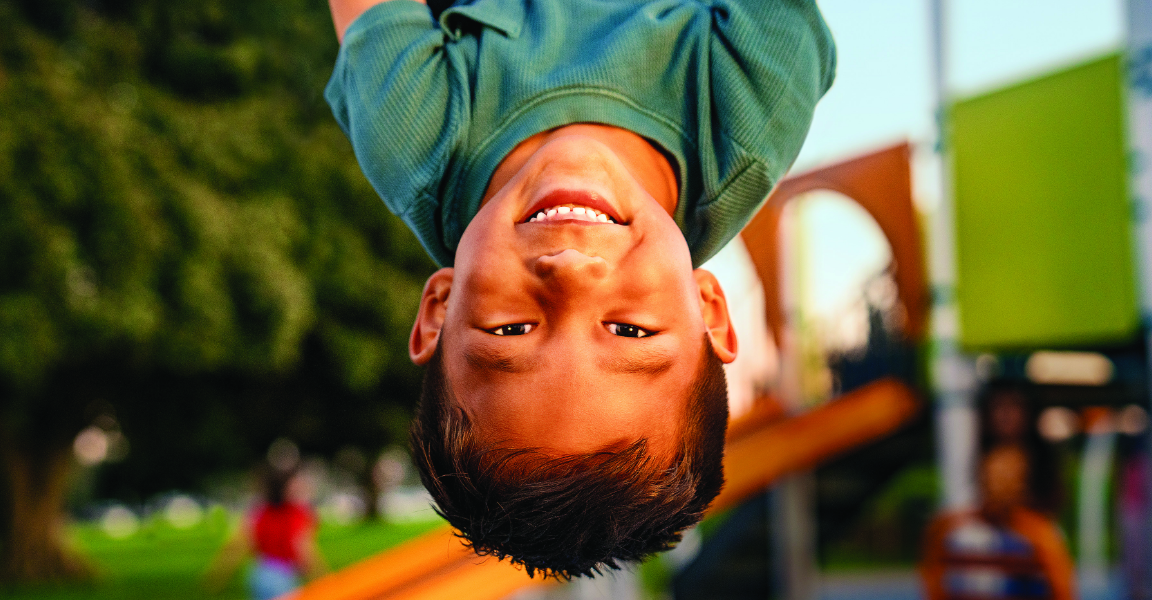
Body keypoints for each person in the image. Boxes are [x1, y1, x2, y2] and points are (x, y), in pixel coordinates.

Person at [323, 0, 835, 578]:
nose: (570, 270)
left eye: (511, 329)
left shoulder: (414, 139)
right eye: (628, 330)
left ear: (439, 308)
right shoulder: (748, 113)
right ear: (707, 310)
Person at [920, 446, 1075, 600]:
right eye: (994, 477)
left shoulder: (1040, 534)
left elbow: (1060, 588)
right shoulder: (948, 528)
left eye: (1007, 478)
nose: (999, 486)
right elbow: (933, 580)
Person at [206, 465, 327, 599]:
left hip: (259, 573)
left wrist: (219, 574)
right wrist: (324, 580)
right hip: (283, 575)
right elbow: (302, 548)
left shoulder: (259, 511)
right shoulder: (298, 514)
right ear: (286, 488)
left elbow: (238, 544)